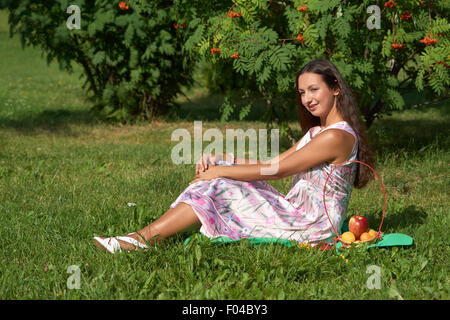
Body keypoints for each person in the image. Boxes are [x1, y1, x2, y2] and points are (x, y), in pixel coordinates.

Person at [93, 59, 375, 253]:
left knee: (220, 182)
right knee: (221, 171)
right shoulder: (319, 132)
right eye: (302, 92)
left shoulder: (336, 136)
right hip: (296, 212)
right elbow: (272, 164)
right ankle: (147, 237)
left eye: (314, 89)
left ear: (335, 87)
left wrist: (220, 172)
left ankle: (142, 239)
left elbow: (277, 171)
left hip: (311, 227)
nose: (307, 99)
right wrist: (224, 158)